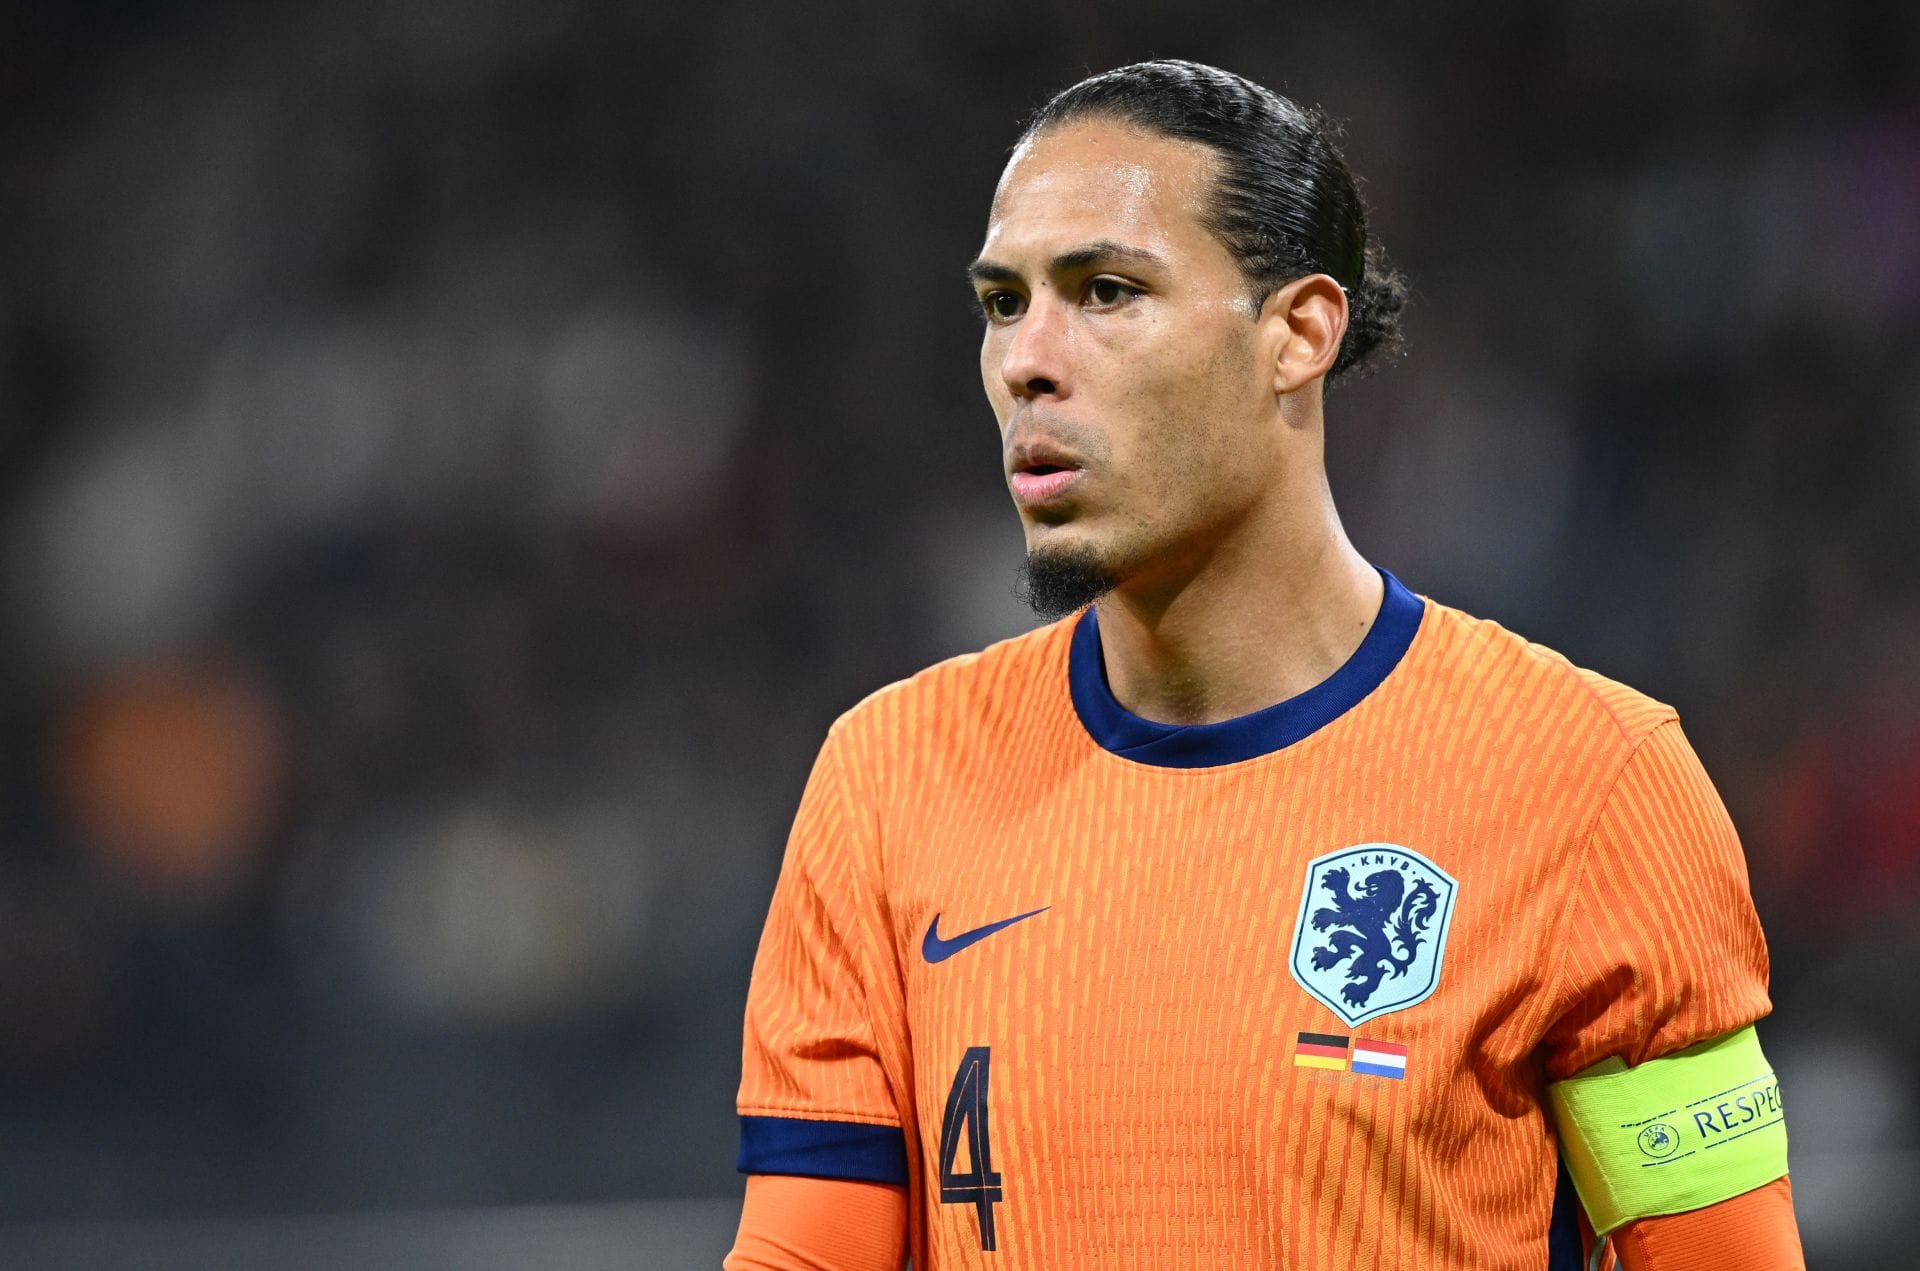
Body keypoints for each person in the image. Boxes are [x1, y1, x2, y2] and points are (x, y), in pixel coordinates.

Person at [725, 60, 1803, 1270]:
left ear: (1298, 332)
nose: (1029, 358)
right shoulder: (887, 781)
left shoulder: (1591, 780)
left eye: (1106, 290)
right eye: (1001, 301)